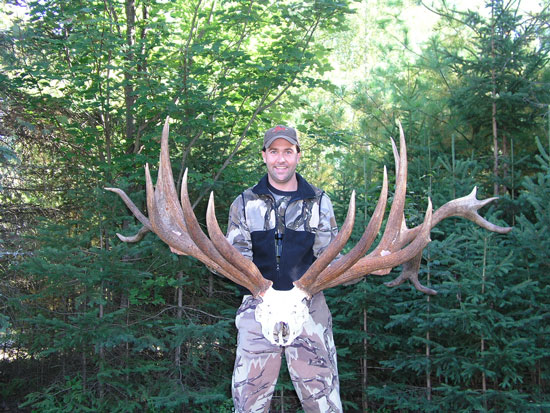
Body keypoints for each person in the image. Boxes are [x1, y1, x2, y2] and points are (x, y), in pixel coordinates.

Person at [225, 125, 343, 412]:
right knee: (248, 405)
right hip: (257, 308)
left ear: (298, 156)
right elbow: (232, 258)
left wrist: (366, 267)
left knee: (324, 403)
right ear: (264, 155)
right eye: (274, 152)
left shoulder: (319, 202)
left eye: (288, 152)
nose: (281, 159)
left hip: (309, 308)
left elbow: (331, 257)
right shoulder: (243, 203)